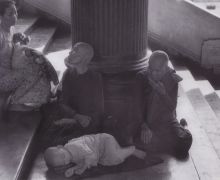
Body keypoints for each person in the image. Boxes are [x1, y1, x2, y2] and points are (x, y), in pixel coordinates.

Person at [40, 42, 104, 147]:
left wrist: (83, 120)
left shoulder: (95, 77)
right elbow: (62, 102)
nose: (70, 52)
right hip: (71, 117)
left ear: (85, 58)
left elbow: (99, 108)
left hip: (88, 122)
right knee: (46, 139)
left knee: (61, 142)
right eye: (72, 49)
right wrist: (75, 116)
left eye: (75, 51)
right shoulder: (68, 74)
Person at [136, 50, 192, 158]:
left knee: (184, 142)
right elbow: (136, 106)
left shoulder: (171, 78)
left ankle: (182, 128)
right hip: (147, 123)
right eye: (151, 69)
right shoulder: (141, 77)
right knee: (132, 141)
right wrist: (143, 125)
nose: (153, 73)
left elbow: (172, 107)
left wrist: (163, 93)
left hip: (167, 122)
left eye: (158, 71)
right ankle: (167, 143)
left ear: (166, 69)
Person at [44, 133, 146, 178]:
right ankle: (121, 150)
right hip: (100, 152)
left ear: (60, 147)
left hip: (104, 141)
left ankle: (132, 150)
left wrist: (81, 167)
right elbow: (83, 160)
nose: (66, 160)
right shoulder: (69, 153)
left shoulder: (74, 146)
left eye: (63, 156)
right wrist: (74, 169)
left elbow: (90, 155)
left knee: (115, 159)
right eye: (63, 163)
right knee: (105, 162)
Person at [0, 0, 30, 119]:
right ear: (1, 16)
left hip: (9, 71)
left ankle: (14, 99)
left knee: (36, 64)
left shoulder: (10, 29)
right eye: (10, 14)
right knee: (31, 71)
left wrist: (17, 39)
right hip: (2, 77)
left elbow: (9, 49)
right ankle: (10, 101)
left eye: (16, 12)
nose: (15, 16)